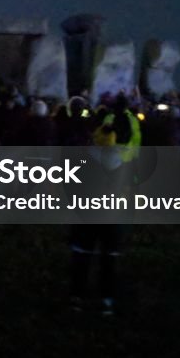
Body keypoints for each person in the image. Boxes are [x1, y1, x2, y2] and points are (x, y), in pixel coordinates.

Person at [69, 94, 140, 316]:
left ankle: (77, 297)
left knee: (82, 256)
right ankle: (106, 299)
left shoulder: (85, 161)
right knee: (109, 259)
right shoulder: (124, 165)